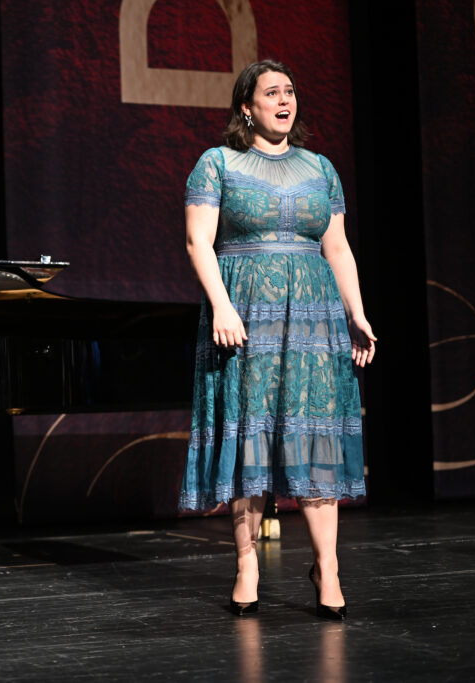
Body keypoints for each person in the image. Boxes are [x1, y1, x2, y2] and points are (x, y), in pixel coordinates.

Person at [180, 60, 376, 620]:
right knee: (251, 436)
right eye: (271, 92)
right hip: (244, 312)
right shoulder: (218, 163)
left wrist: (356, 312)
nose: (284, 99)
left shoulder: (321, 167)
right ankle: (247, 563)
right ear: (248, 106)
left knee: (314, 435)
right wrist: (220, 303)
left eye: (290, 90)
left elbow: (336, 248)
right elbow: (199, 242)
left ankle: (328, 567)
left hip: (314, 316)